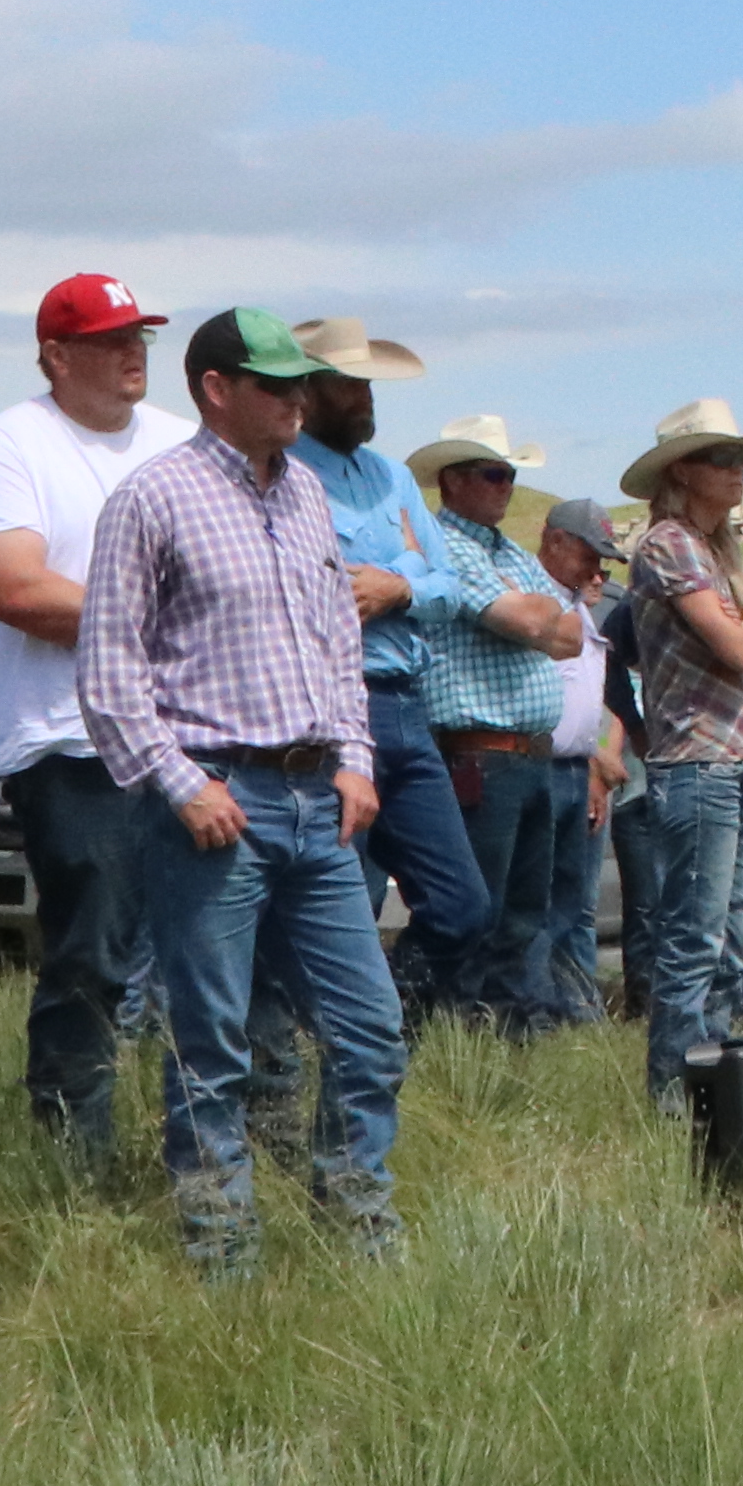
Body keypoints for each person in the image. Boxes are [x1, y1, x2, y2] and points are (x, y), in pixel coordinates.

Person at [87, 308, 411, 1271]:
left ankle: (359, 1223)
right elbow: (110, 671)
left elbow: (337, 643)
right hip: (220, 799)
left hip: (320, 797)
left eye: (301, 384)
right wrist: (183, 785)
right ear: (215, 388)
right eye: (275, 385)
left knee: (370, 1029)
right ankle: (222, 1249)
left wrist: (356, 754)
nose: (297, 401)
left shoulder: (308, 493)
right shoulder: (153, 498)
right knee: (212, 1040)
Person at [0, 277, 190, 1161]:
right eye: (107, 339)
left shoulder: (182, 442)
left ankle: (203, 1141)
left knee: (204, 954)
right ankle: (74, 1148)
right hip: (72, 735)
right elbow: (19, 589)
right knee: (93, 951)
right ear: (55, 357)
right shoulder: (11, 443)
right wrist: (175, 619)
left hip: (186, 731)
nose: (132, 352)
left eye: (140, 336)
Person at [278, 320, 502, 1027]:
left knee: (463, 905)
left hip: (407, 708)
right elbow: (323, 589)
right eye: (349, 382)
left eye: (367, 381)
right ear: (307, 391)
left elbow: (448, 589)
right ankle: (340, 1042)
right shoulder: (287, 475)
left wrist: (400, 583)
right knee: (345, 900)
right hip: (338, 707)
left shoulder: (391, 475)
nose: (365, 397)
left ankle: (384, 1014)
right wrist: (410, 568)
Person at [391, 417, 596, 1041]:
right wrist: (536, 614)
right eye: (493, 473)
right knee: (473, 910)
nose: (506, 485)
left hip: (526, 756)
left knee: (523, 915)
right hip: (479, 752)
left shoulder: (506, 553)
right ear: (452, 480)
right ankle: (431, 1027)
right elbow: (531, 621)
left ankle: (500, 1037)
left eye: (509, 474)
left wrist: (538, 615)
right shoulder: (446, 544)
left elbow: (568, 633)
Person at [612, 399, 743, 1100]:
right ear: (683, 470)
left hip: (740, 755)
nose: (738, 470)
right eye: (724, 458)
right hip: (700, 763)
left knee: (732, 935)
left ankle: (713, 1092)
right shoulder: (669, 543)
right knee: (695, 938)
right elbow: (741, 644)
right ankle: (673, 1097)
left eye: (742, 457)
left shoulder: (715, 549)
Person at [531, 495, 625, 1023]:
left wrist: (594, 760)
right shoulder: (534, 604)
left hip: (575, 767)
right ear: (556, 542)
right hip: (541, 766)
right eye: (590, 553)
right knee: (540, 903)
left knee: (574, 905)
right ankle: (543, 1013)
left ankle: (575, 1010)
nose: (598, 568)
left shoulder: (580, 607)